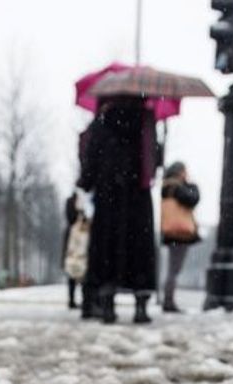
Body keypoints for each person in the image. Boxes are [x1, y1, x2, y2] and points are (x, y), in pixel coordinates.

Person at [77, 97, 159, 324]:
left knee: (107, 250)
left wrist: (86, 181)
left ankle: (107, 305)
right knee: (139, 252)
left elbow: (90, 162)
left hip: (108, 196)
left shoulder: (101, 124)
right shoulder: (146, 122)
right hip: (138, 198)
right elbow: (155, 159)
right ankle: (140, 305)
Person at [159, 161, 201, 313]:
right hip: (180, 233)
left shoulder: (166, 187)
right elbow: (192, 199)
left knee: (173, 268)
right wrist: (191, 186)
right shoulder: (177, 187)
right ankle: (168, 301)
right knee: (174, 269)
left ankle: (168, 299)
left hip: (171, 232)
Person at [63, 192, 85, 310]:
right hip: (74, 240)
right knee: (73, 268)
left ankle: (84, 299)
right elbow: (70, 217)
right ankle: (72, 299)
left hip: (81, 239)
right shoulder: (71, 201)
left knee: (82, 269)